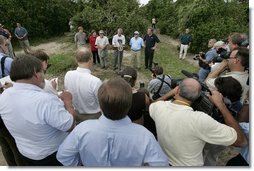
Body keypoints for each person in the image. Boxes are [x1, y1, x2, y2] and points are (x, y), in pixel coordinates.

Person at [57, 77, 169, 166]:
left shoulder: (82, 129)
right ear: (128, 106)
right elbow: (161, 164)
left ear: (100, 106)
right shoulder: (144, 136)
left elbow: (63, 155)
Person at [149, 78, 247, 166]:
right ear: (197, 96)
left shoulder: (159, 107)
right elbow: (241, 141)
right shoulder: (200, 120)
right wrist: (221, 105)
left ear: (178, 90)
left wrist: (172, 92)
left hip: (163, 161)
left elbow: (154, 104)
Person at [0, 55, 76, 166]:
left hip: (26, 153)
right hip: (53, 156)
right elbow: (69, 125)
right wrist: (68, 102)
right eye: (42, 71)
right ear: (36, 73)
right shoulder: (45, 100)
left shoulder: (4, 95)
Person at [64, 48, 102, 124]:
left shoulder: (68, 74)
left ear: (76, 60)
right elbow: (102, 103)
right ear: (91, 59)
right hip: (94, 118)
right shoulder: (95, 81)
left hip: (76, 115)